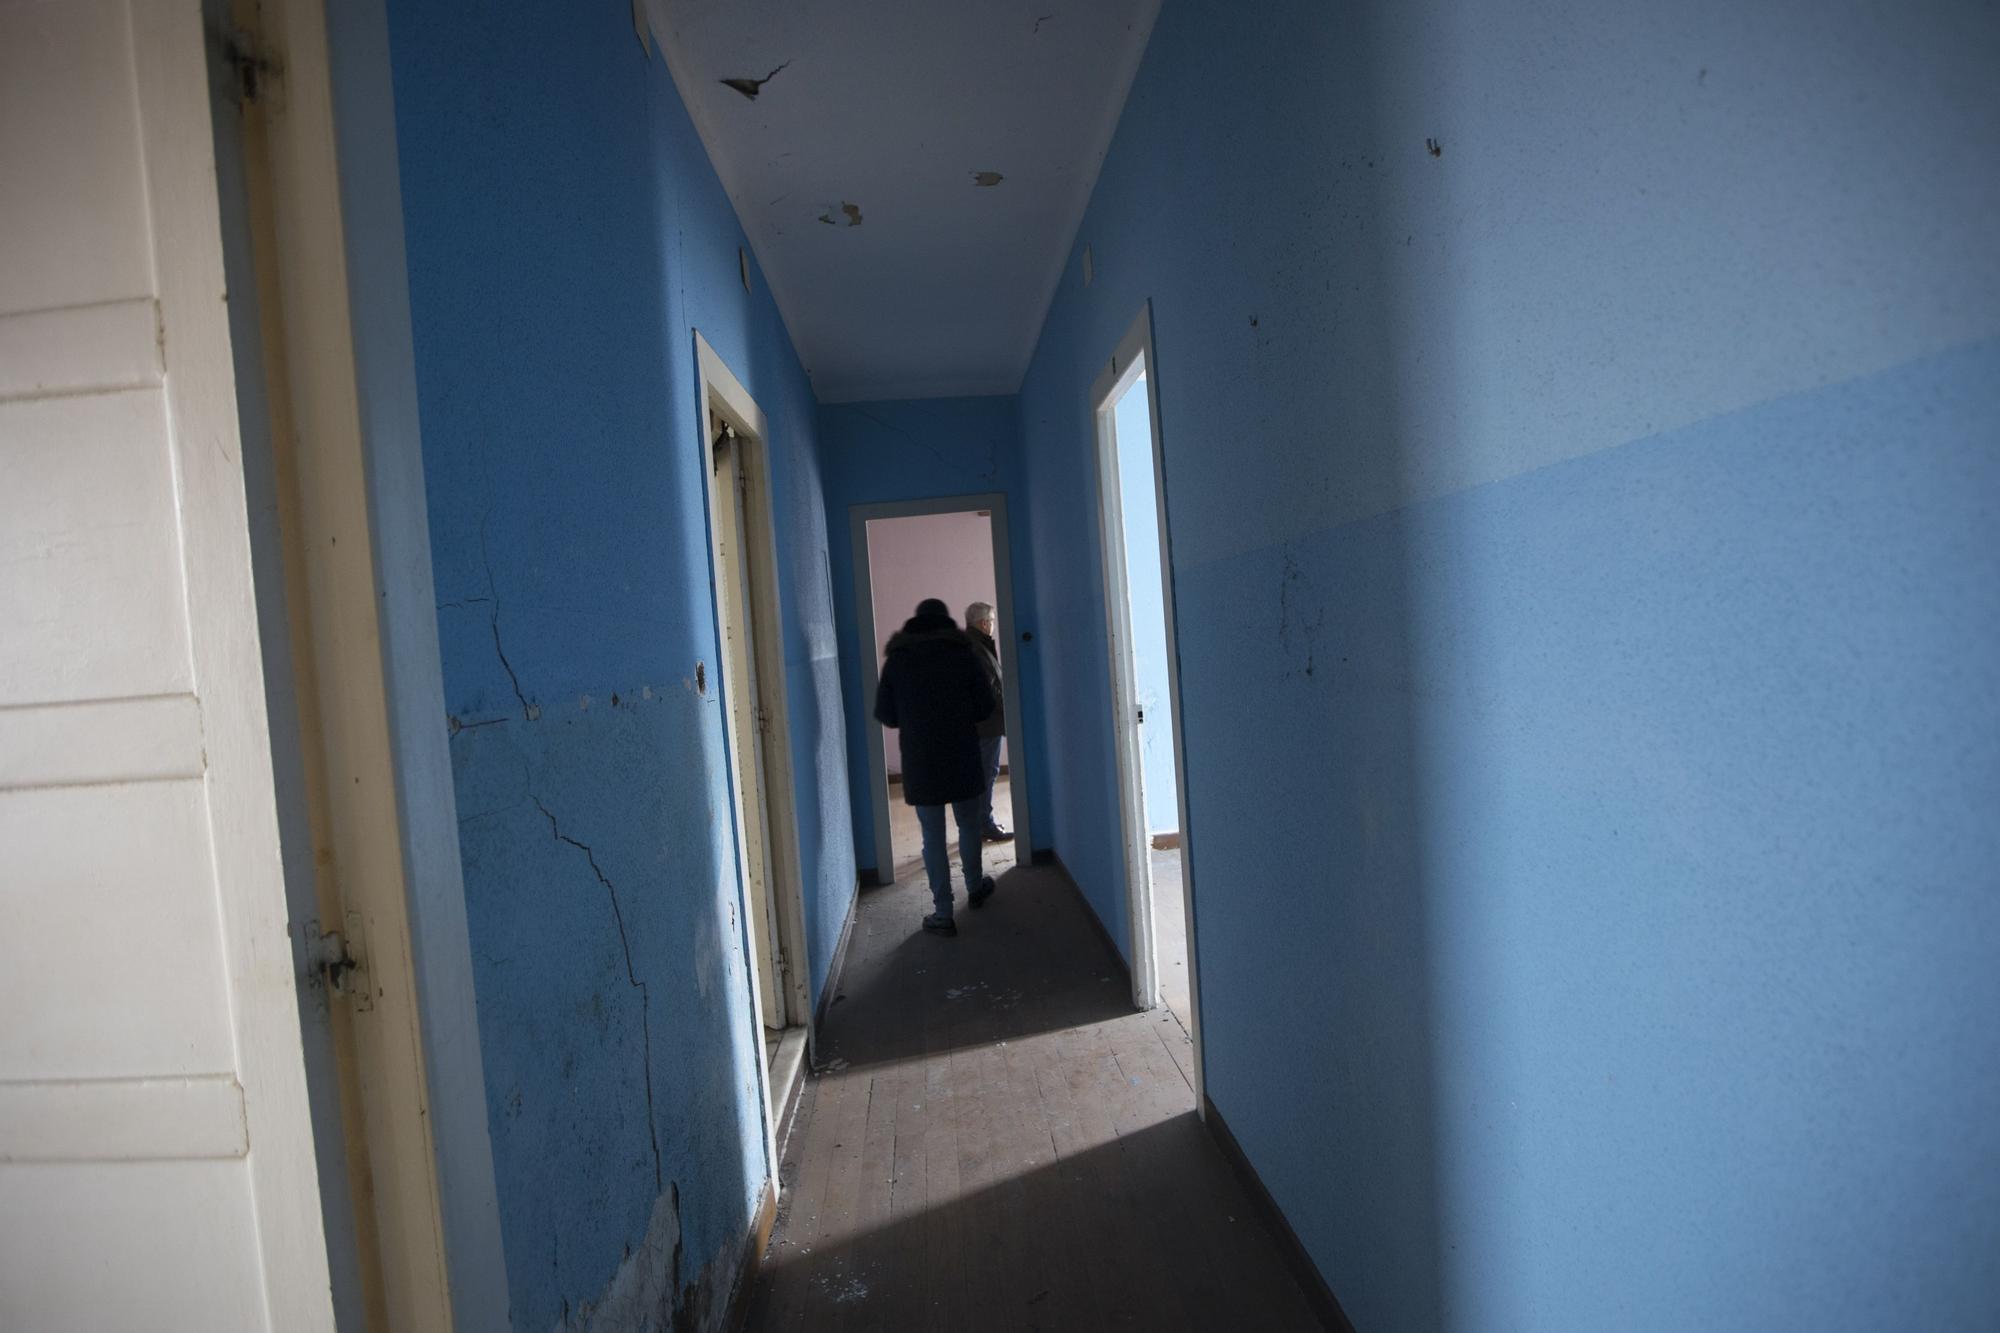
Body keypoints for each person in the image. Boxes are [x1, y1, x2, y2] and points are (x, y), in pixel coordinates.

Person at [874, 598, 997, 936]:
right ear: (947, 624)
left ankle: (943, 913)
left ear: (916, 623)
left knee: (933, 837)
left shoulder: (898, 660)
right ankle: (974, 887)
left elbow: (886, 714)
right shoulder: (964, 654)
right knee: (969, 825)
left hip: (921, 759)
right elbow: (985, 708)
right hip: (962, 754)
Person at [963, 600, 1010, 842]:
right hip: (987, 724)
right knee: (986, 773)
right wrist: (1009, 712)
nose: (992, 626)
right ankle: (984, 823)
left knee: (982, 773)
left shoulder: (973, 645)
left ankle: (977, 822)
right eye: (991, 622)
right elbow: (990, 690)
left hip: (980, 723)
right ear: (984, 623)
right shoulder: (977, 648)